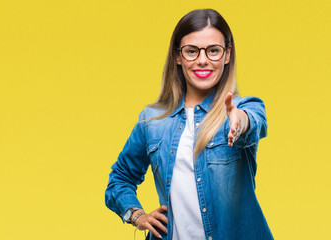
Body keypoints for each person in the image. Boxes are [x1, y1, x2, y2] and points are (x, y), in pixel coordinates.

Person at [105, 9, 274, 240]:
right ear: (177, 56)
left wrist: (238, 121)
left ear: (227, 55)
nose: (203, 59)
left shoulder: (245, 107)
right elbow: (120, 178)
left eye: (214, 51)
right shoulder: (152, 121)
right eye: (191, 51)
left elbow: (253, 123)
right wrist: (136, 215)